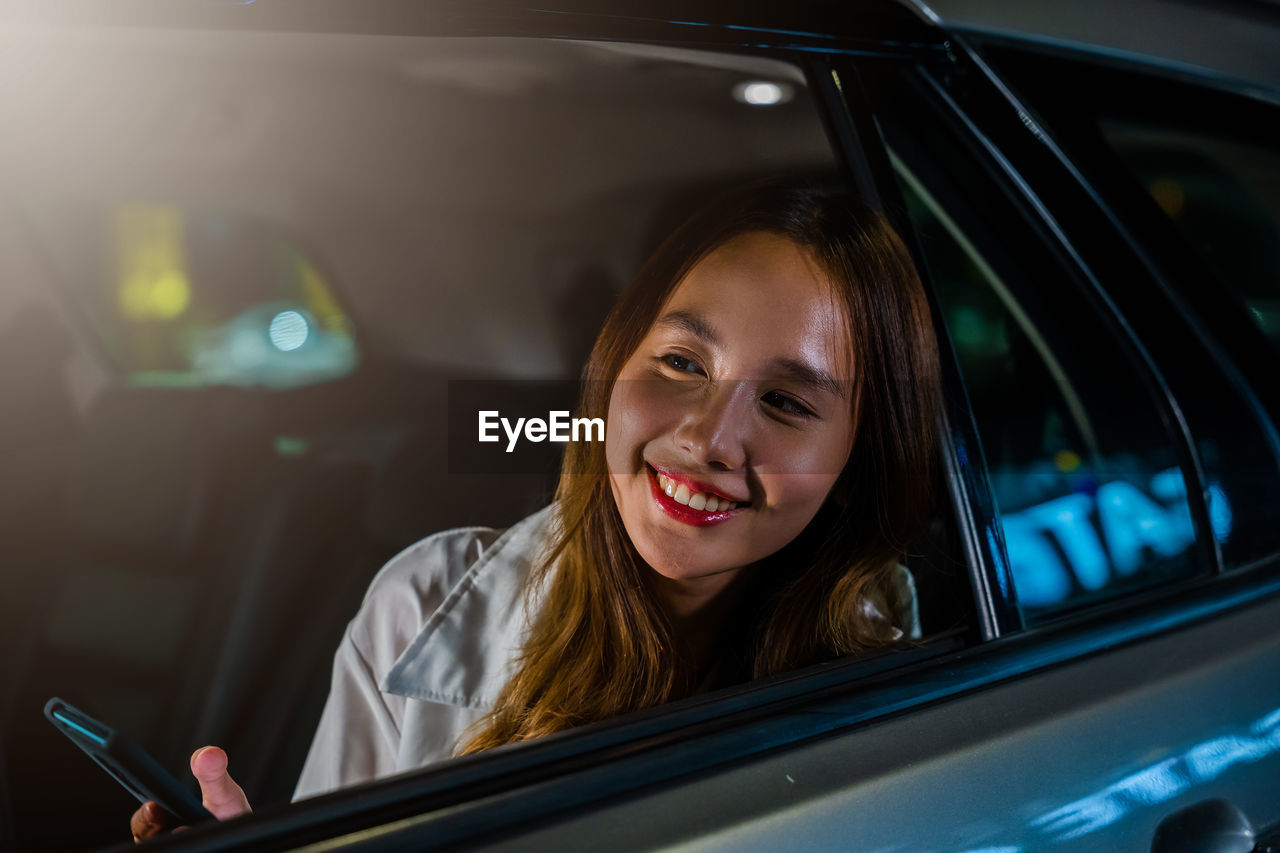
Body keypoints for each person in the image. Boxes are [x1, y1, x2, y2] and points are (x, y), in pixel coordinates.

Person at [130, 178, 942, 841]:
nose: (708, 437)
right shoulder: (417, 601)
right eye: (682, 361)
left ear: (857, 462)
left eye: (787, 402)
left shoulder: (907, 699)